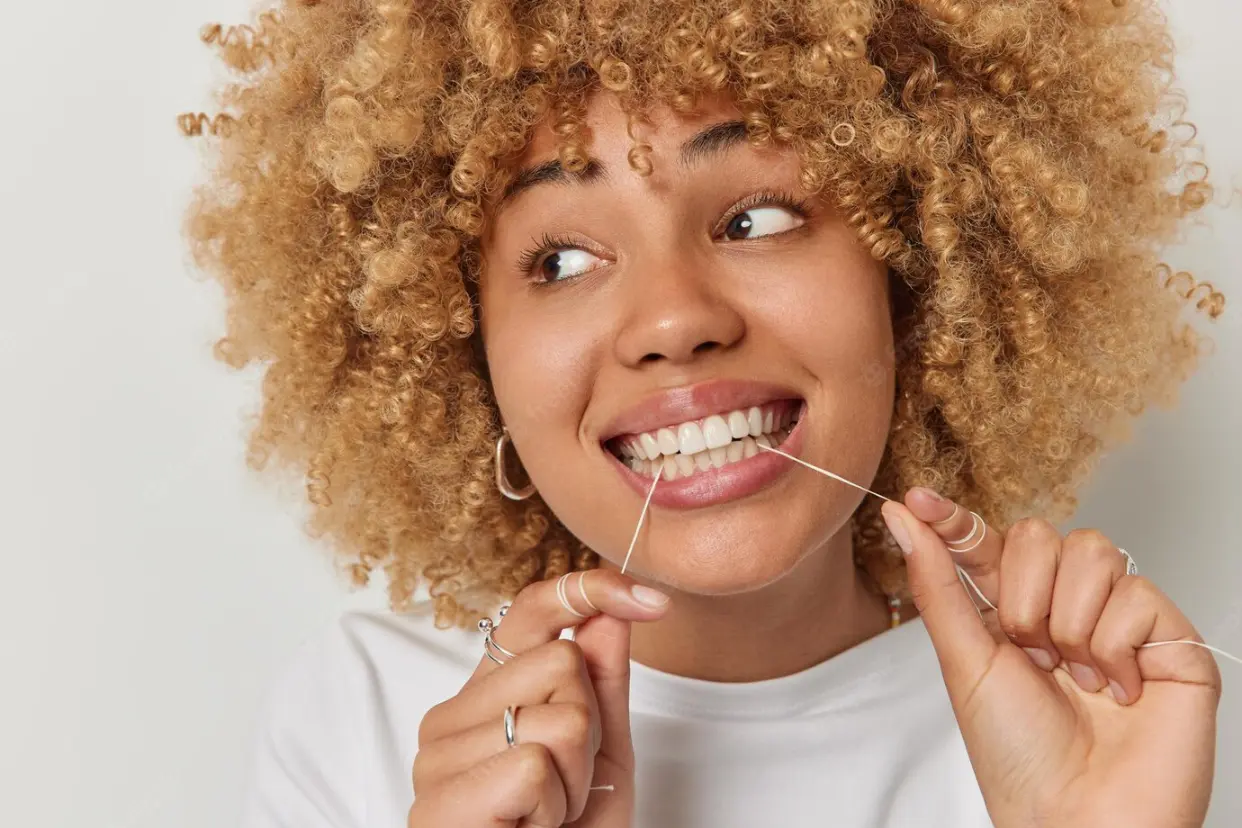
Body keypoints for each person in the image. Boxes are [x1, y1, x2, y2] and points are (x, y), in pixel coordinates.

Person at [182, 0, 1228, 825]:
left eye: (756, 218)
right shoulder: (369, 718)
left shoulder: (1087, 722)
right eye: (561, 260)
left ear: (913, 280)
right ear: (461, 351)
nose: (674, 320)